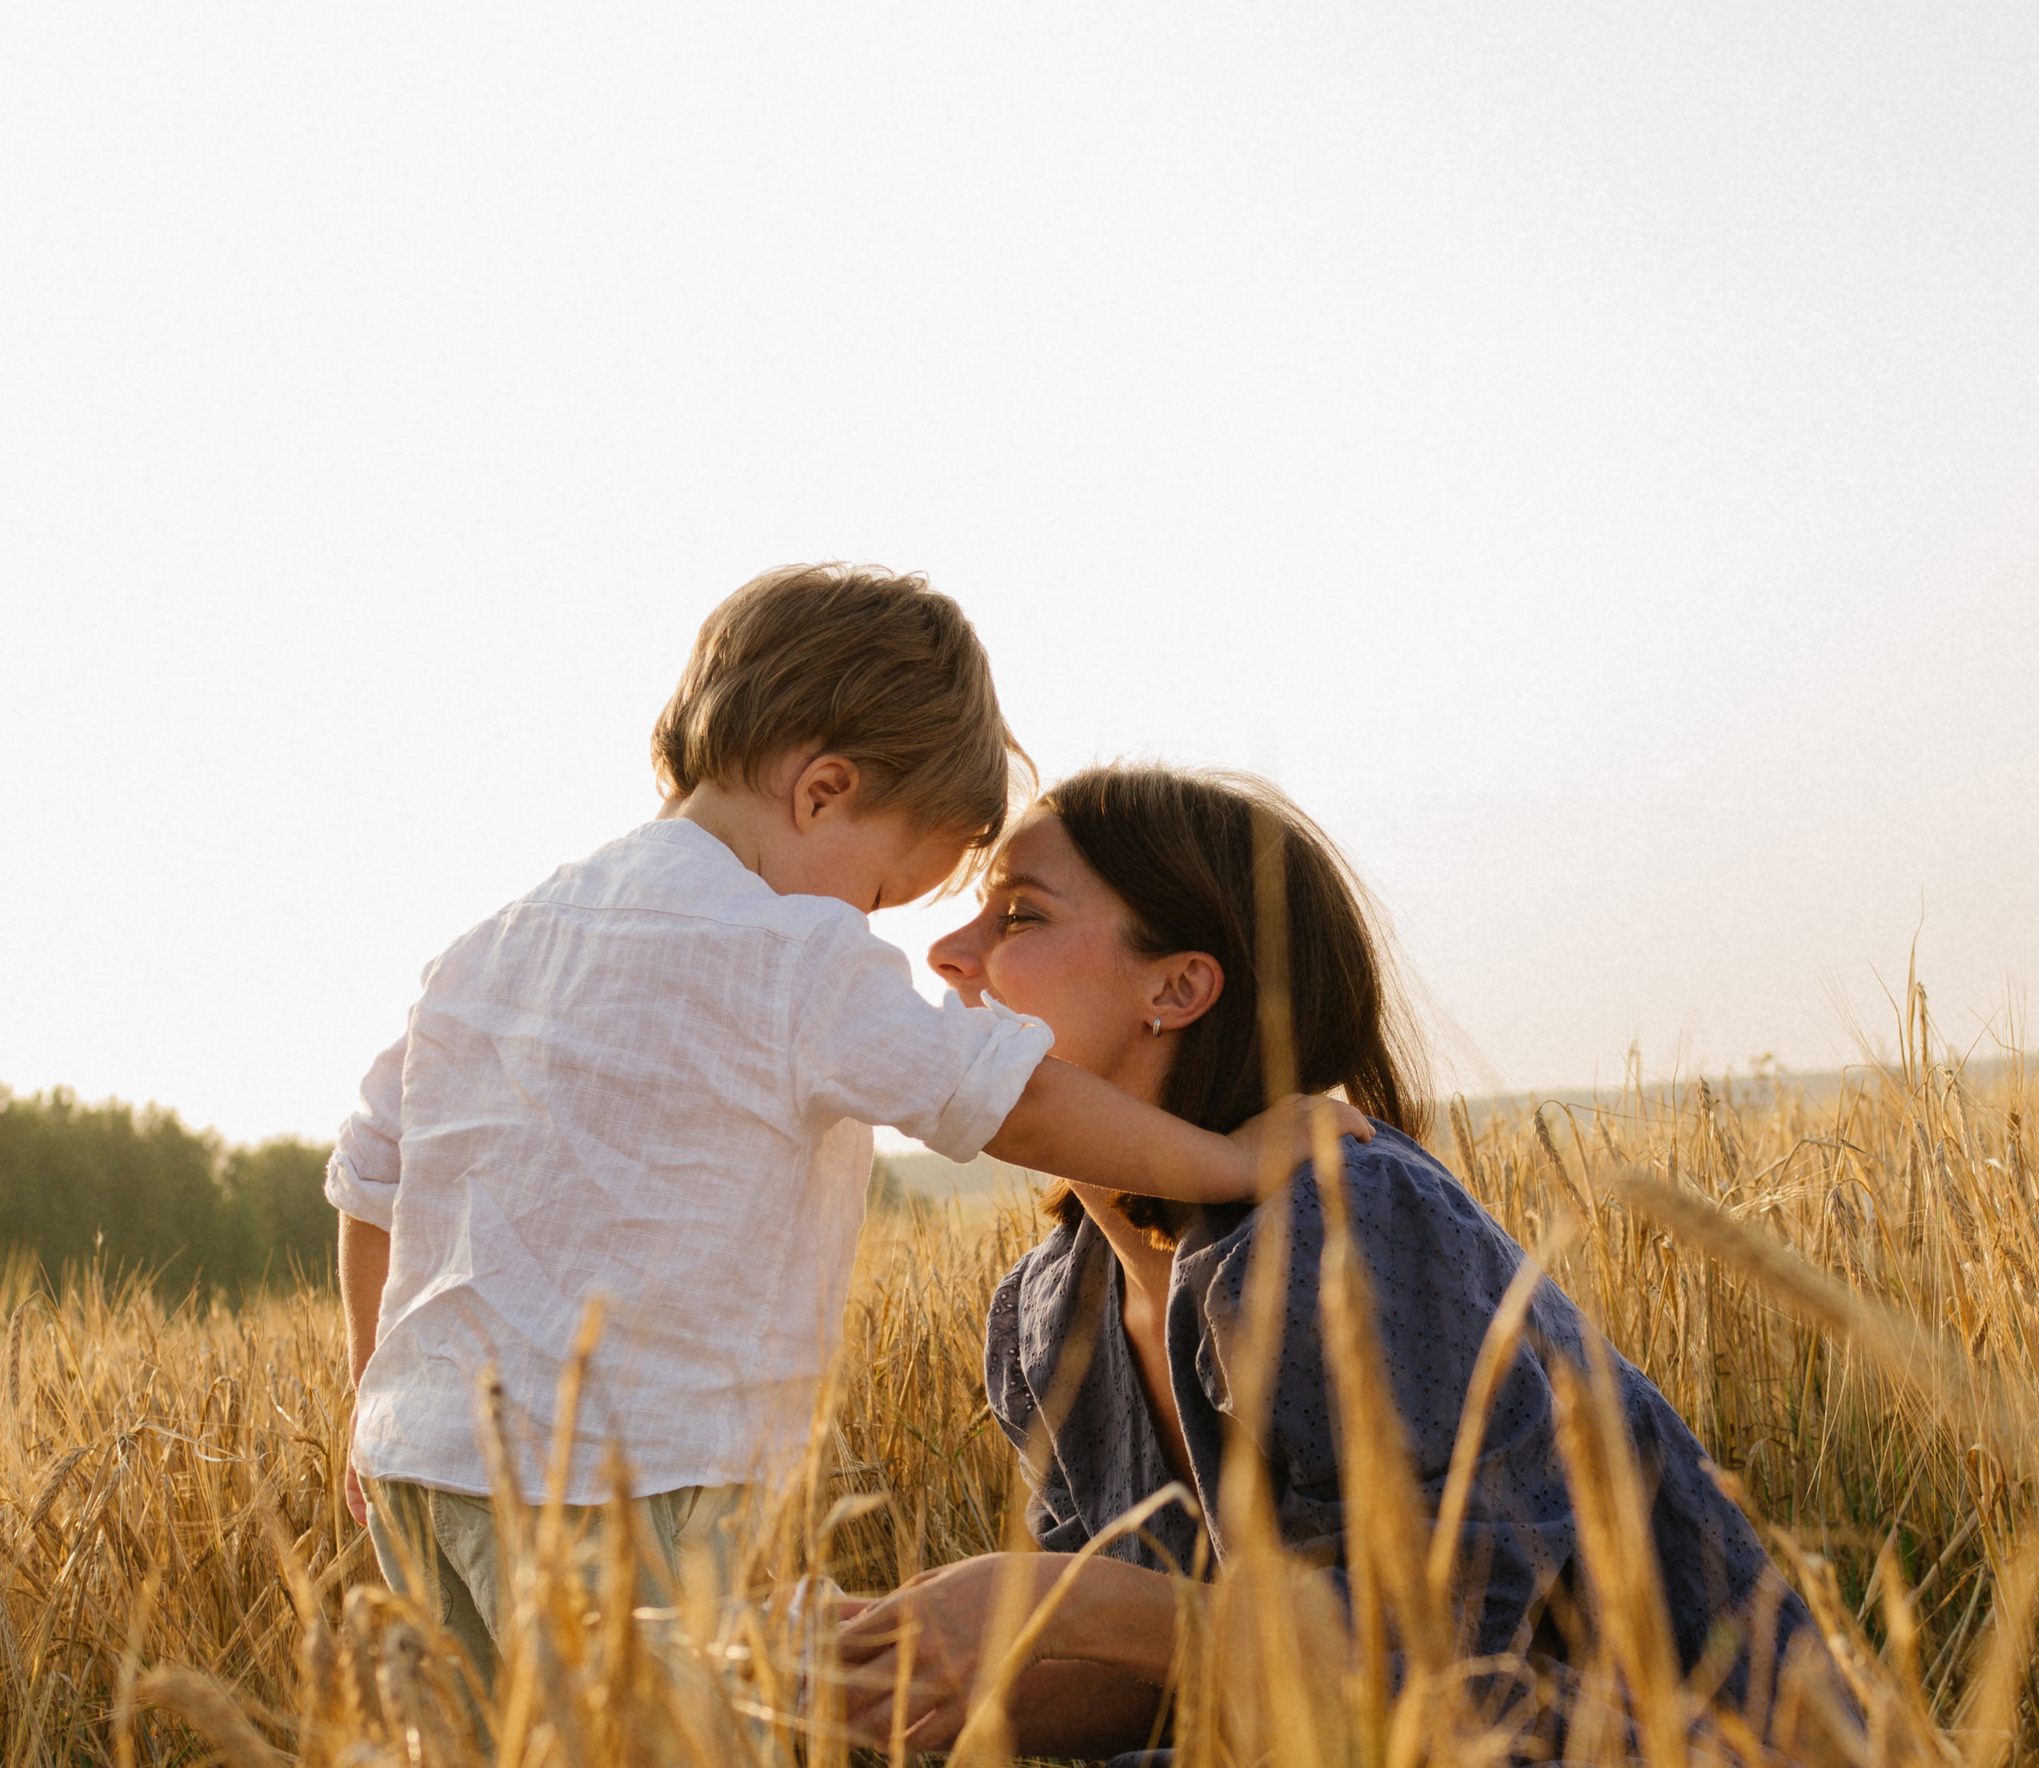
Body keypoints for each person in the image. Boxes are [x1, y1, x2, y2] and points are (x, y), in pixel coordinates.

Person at [323, 569, 1367, 1683]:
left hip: (416, 1472)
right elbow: (1015, 1094)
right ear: (822, 789)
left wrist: (374, 1387)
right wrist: (1225, 1158)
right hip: (626, 1479)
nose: (876, 932)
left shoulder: (487, 945)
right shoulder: (787, 950)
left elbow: (369, 1186)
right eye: (879, 892)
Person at [837, 764, 1842, 1760]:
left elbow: (1440, 1678)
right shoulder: (1046, 1311)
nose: (946, 952)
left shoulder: (1339, 1225)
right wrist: (865, 1675)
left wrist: (1059, 1598)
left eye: (1017, 917)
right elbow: (1166, 1688)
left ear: (1178, 987)